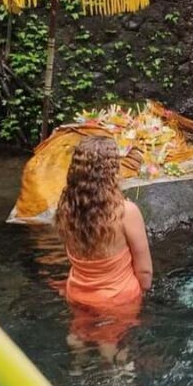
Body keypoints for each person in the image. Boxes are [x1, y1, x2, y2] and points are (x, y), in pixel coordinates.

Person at [55, 135, 153, 364]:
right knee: (112, 342)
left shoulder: (66, 207)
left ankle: (78, 361)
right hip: (117, 298)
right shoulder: (125, 211)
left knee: (80, 330)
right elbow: (145, 271)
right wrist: (143, 293)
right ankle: (115, 377)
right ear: (111, 170)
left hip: (78, 291)